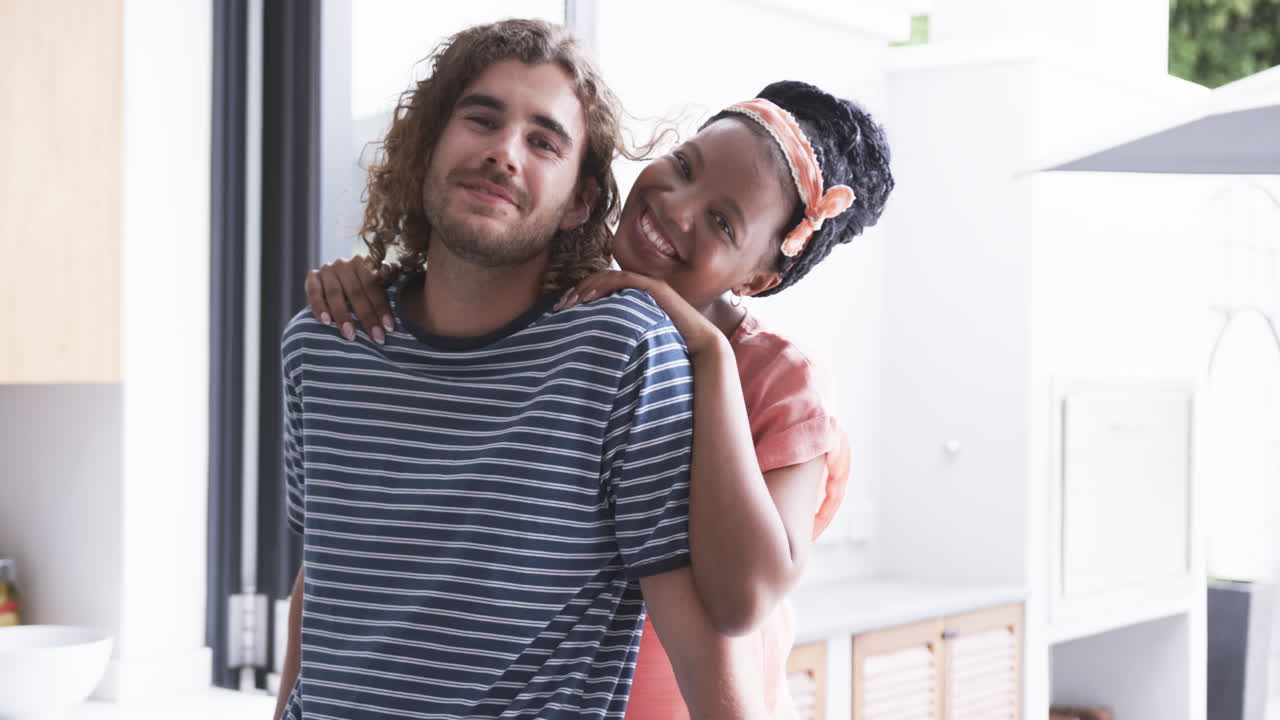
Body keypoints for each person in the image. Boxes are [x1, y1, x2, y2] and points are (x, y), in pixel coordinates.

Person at [307, 76, 895, 719]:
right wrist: (367, 279)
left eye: (722, 221)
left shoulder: (779, 381)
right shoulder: (576, 307)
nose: (678, 207)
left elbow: (743, 599)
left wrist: (708, 354)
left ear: (759, 275)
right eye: (684, 167)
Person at [275, 19, 766, 720]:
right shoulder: (324, 346)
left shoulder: (621, 353)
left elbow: (706, 660)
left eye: (544, 141)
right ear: (428, 145)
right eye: (482, 119)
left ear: (579, 202)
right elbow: (320, 587)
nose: (504, 153)